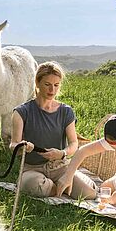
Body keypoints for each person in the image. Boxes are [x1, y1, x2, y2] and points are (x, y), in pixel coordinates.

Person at [10, 61, 97, 199]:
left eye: (56, 85)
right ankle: (59, 188)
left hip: (60, 167)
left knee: (89, 193)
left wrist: (62, 153)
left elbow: (74, 143)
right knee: (35, 184)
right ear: (37, 83)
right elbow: (13, 144)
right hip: (32, 169)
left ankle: (56, 186)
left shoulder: (66, 111)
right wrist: (23, 146)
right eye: (47, 84)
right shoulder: (21, 112)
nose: (52, 90)